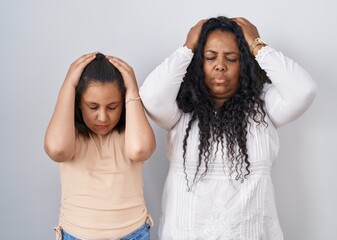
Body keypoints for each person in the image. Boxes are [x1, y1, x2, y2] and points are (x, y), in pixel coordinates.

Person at [139, 16, 317, 239]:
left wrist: (256, 44)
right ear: (197, 63)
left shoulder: (264, 106)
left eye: (231, 58)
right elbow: (151, 95)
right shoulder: (181, 108)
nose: (220, 65)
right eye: (210, 57)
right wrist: (188, 47)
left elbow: (304, 91)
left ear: (244, 64)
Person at [44, 52, 156, 240]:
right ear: (79, 103)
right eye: (93, 107)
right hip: (76, 234)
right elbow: (57, 150)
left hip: (133, 234)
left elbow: (140, 150)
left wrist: (132, 89)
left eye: (112, 107)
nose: (103, 117)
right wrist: (68, 85)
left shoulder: (131, 132)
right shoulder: (70, 135)